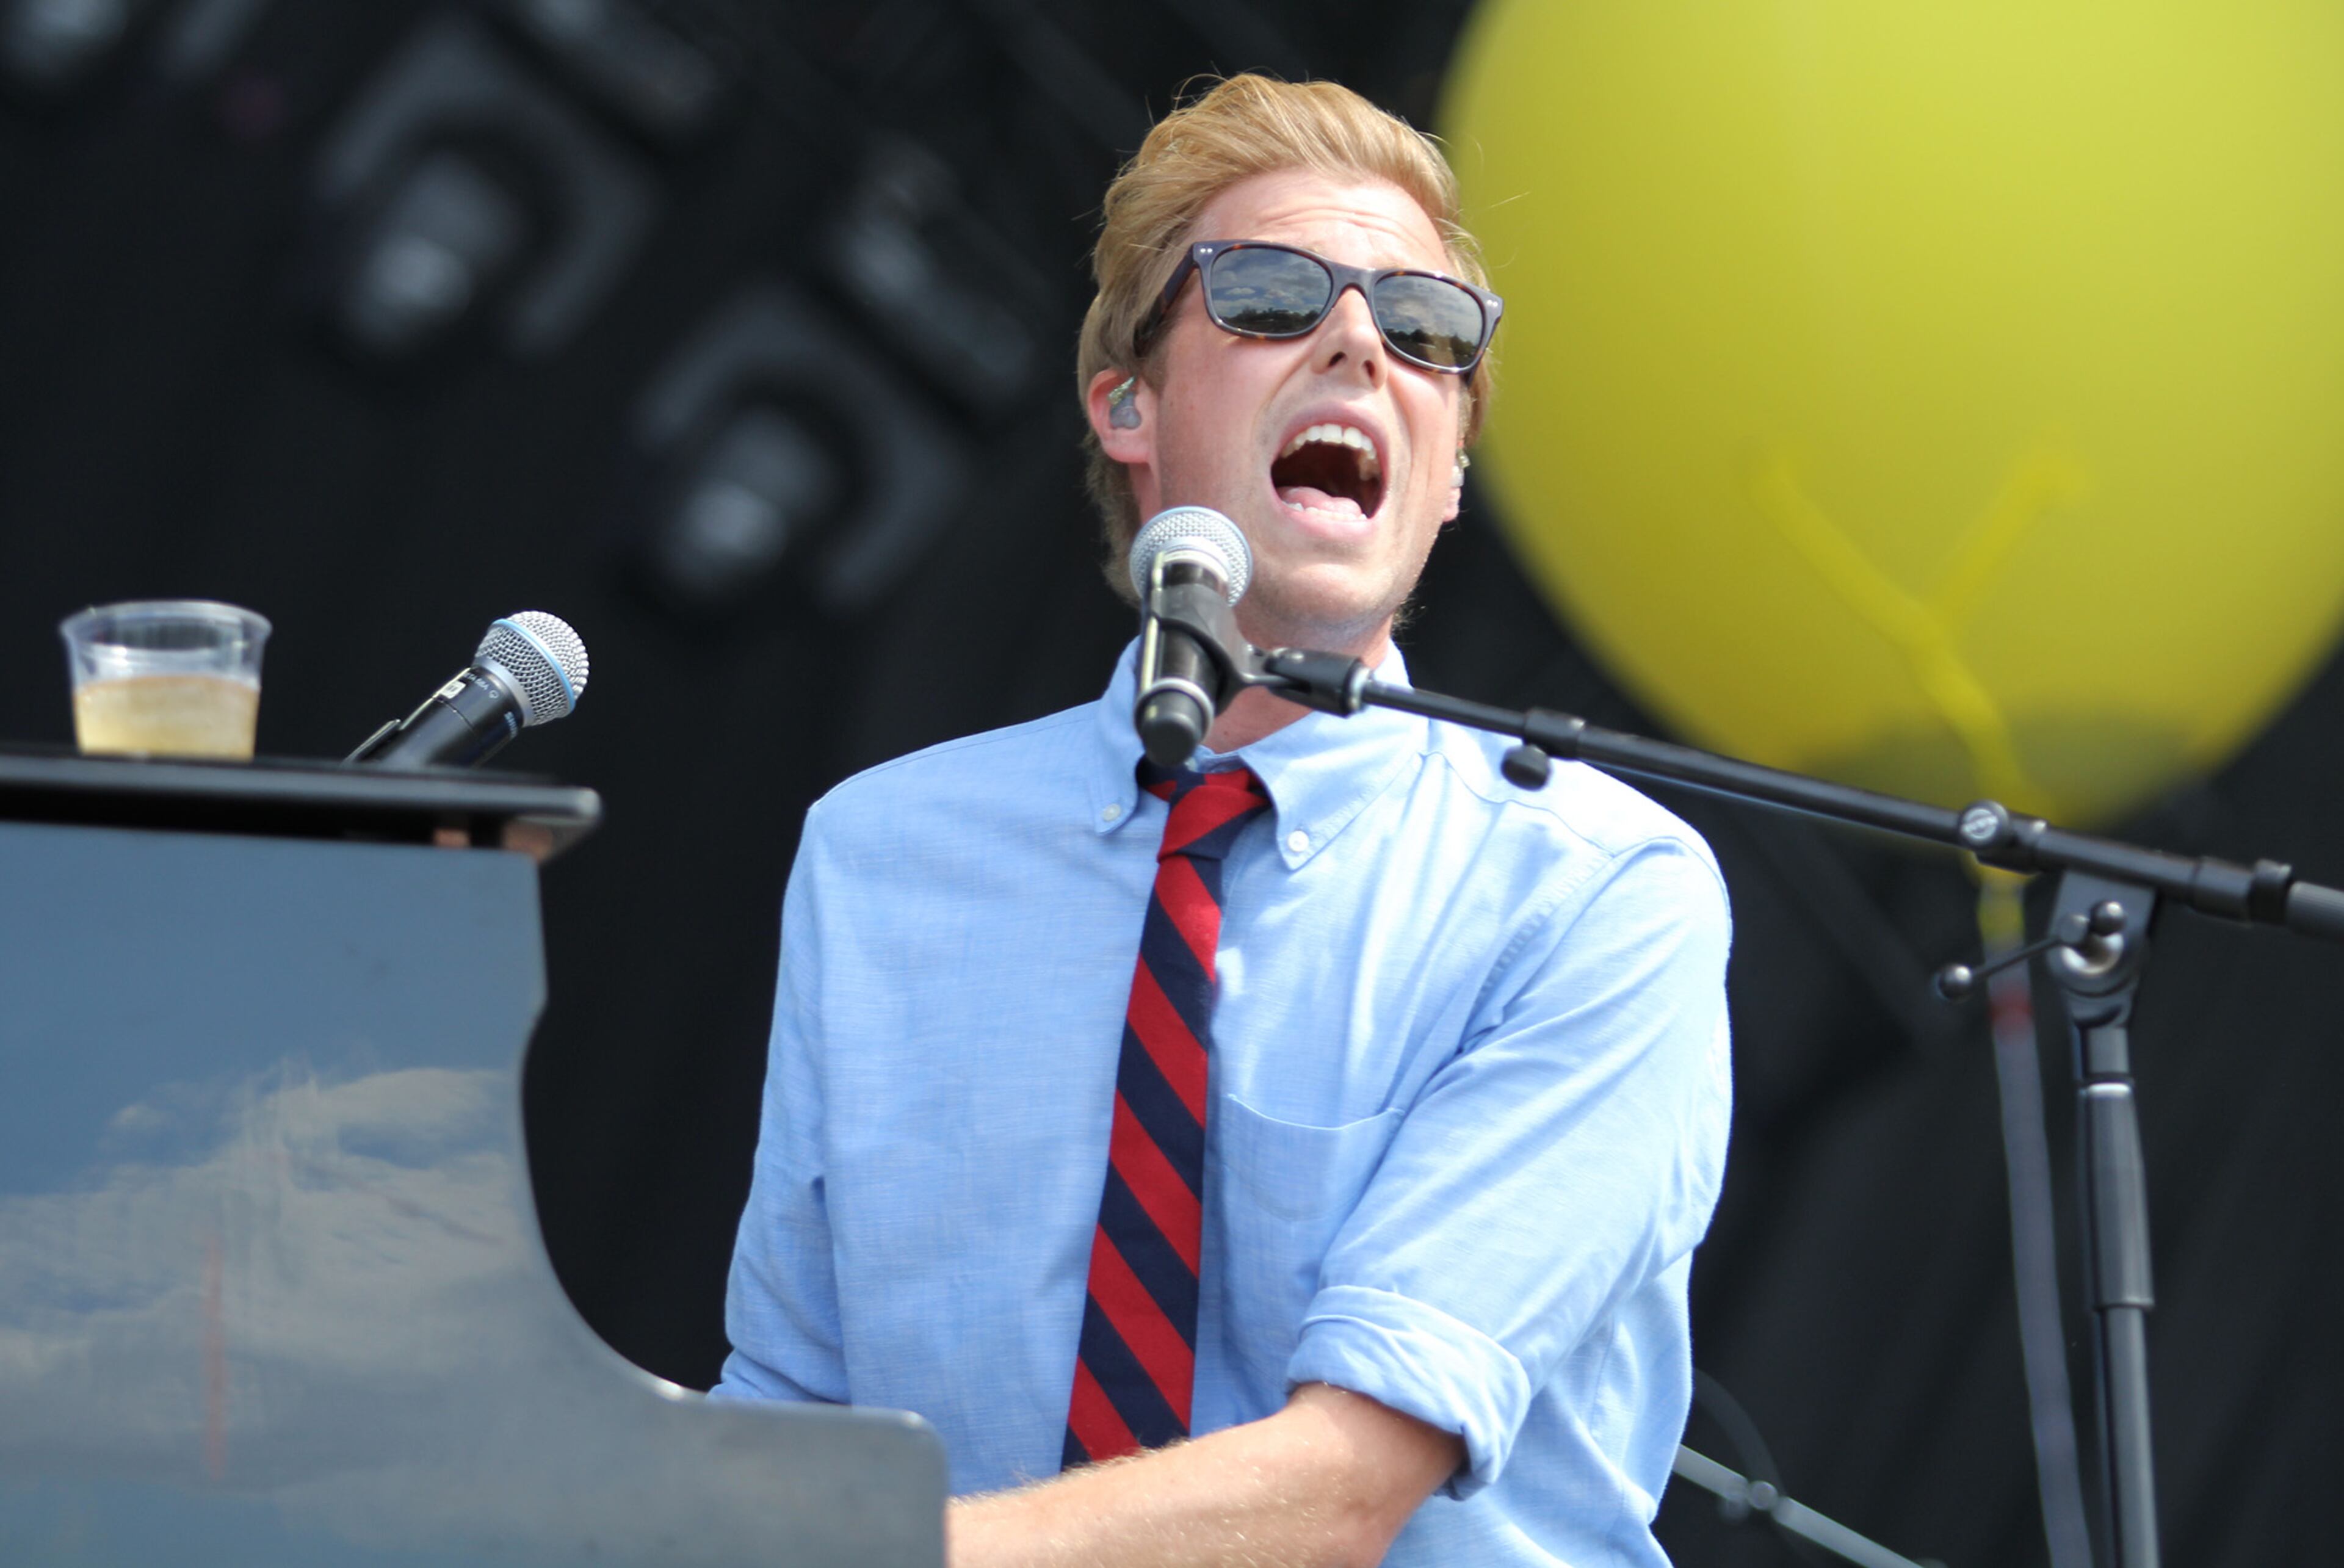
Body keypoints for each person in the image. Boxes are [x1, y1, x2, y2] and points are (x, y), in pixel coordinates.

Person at [711, 74, 1732, 1568]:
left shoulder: (1597, 893)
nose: (1358, 341)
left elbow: (1340, 1488)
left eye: (1427, 328)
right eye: (1270, 294)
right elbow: (795, 1408)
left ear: (1448, 472)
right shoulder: (884, 852)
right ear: (1126, 403)